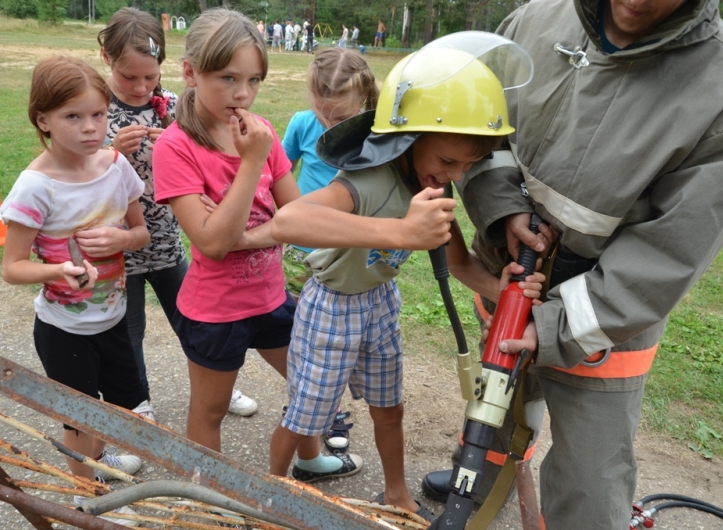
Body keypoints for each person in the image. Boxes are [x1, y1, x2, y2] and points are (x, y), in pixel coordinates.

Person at [422, 0, 723, 528]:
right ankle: (474, 489)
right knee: (493, 407)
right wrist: (503, 209)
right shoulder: (533, 22)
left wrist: (553, 326)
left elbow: (669, 252)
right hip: (510, 275)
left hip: (604, 317)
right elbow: (484, 137)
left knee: (590, 476)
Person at [269, 39, 544, 522]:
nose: (454, 176)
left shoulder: (429, 185)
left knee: (388, 406)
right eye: (446, 163)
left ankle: (396, 492)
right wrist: (400, 231)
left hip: (380, 302)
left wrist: (503, 291)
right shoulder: (368, 180)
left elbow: (458, 264)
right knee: (306, 415)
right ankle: (267, 491)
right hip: (331, 305)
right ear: (410, 139)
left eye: (466, 166)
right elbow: (288, 221)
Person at [151, 9, 330, 474]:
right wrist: (252, 166)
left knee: (309, 385)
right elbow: (211, 245)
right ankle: (211, 496)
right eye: (228, 78)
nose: (243, 94)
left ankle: (309, 458)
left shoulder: (261, 130)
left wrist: (245, 234)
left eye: (253, 80)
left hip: (271, 297)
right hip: (215, 311)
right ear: (190, 72)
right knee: (209, 411)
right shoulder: (175, 147)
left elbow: (296, 215)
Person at [0, 55, 151, 527]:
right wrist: (57, 271)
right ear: (42, 119)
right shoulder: (35, 187)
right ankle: (87, 499)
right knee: (77, 418)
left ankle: (98, 467)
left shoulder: (116, 165)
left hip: (115, 318)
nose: (91, 128)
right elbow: (12, 268)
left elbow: (141, 232)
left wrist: (125, 239)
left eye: (99, 114)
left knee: (126, 405)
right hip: (63, 328)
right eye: (73, 117)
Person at [96, 8, 258, 420]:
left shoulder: (172, 104)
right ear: (106, 58)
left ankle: (222, 386)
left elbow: (207, 147)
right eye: (129, 77)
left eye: (150, 77)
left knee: (197, 322)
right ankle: (138, 403)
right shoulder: (94, 108)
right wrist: (110, 152)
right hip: (118, 249)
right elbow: (72, 167)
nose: (141, 86)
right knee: (129, 331)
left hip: (168, 241)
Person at [281, 47, 379, 452]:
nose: (329, 124)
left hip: (348, 254)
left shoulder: (373, 135)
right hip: (300, 253)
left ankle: (331, 407)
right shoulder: (303, 125)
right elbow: (280, 171)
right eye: (323, 114)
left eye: (339, 118)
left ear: (365, 102)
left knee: (339, 341)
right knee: (304, 339)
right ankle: (311, 408)